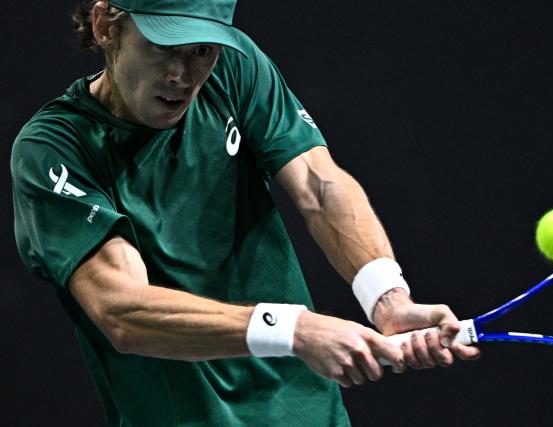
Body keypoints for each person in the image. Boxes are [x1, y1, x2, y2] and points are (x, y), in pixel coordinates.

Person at [11, 0, 480, 425]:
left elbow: (319, 184)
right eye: (163, 46)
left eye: (202, 50)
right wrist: (294, 328)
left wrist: (388, 298)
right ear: (106, 26)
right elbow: (123, 310)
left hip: (310, 414)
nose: (184, 74)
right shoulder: (53, 149)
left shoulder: (234, 68)